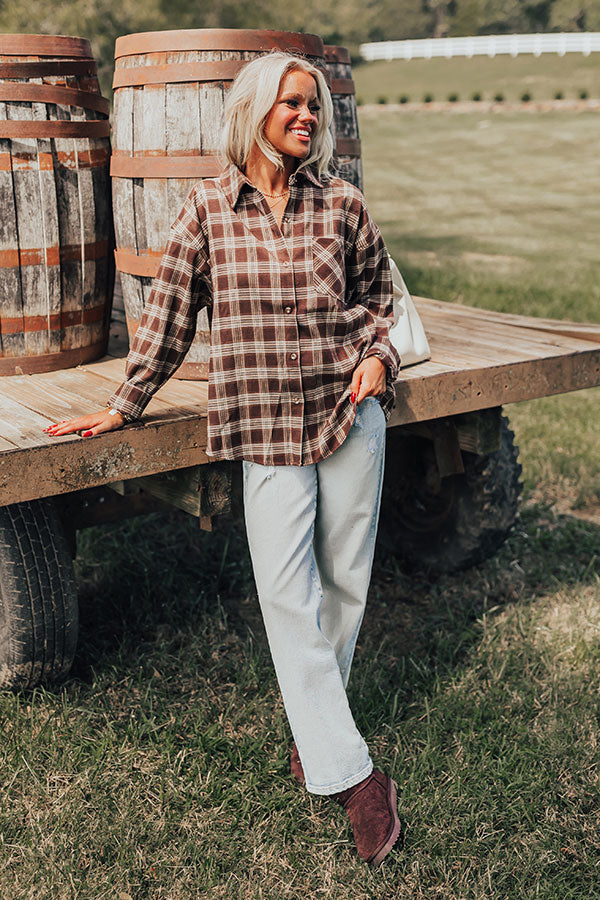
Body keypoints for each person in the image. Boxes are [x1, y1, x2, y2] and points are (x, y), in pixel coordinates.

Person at [45, 51, 403, 865]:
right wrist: (121, 404)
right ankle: (357, 779)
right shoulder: (206, 211)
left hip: (351, 414)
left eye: (315, 105)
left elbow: (380, 298)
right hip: (266, 431)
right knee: (287, 597)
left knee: (345, 583)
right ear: (253, 112)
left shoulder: (341, 204)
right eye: (292, 104)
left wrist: (378, 358)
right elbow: (167, 321)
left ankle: (317, 736)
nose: (308, 117)